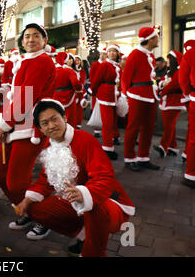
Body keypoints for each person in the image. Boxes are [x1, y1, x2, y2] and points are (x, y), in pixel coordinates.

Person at [13, 98, 134, 256]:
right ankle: (85, 236)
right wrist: (27, 199)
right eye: (45, 123)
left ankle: (93, 252)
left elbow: (104, 177)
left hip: (108, 201)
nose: (51, 126)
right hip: (73, 201)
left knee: (94, 207)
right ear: (41, 129)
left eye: (54, 119)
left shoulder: (85, 139)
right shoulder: (49, 145)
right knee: (35, 209)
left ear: (64, 118)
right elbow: (45, 179)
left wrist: (85, 193)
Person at [0, 23, 56, 238]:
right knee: (1, 175)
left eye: (36, 36)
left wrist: (4, 123)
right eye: (27, 36)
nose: (31, 39)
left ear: (44, 41)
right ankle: (26, 210)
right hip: (15, 125)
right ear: (21, 42)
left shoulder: (41, 61)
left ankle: (43, 217)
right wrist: (5, 119)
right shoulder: (26, 61)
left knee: (16, 181)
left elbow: (26, 98)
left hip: (28, 129)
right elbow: (16, 97)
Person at [121, 27, 160, 172]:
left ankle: (143, 157)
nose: (158, 40)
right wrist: (126, 96)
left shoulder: (150, 55)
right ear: (149, 39)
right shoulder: (135, 55)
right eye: (156, 37)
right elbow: (125, 78)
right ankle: (129, 158)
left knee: (149, 128)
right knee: (133, 127)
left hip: (151, 94)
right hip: (137, 95)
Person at [90, 44, 123, 160]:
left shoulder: (117, 66)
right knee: (107, 123)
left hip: (114, 96)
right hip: (105, 96)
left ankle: (110, 143)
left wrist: (121, 93)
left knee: (113, 121)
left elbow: (120, 82)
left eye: (114, 51)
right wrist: (94, 93)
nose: (112, 53)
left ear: (118, 54)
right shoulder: (104, 65)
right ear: (107, 53)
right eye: (110, 51)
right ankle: (108, 148)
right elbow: (97, 79)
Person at [154, 50, 186, 158]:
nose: (167, 61)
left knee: (168, 126)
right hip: (167, 101)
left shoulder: (179, 72)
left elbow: (172, 86)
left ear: (173, 60)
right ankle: (173, 147)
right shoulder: (169, 72)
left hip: (174, 102)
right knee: (170, 126)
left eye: (168, 59)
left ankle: (163, 146)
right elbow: (162, 83)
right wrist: (163, 85)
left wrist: (162, 90)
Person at [179, 39, 195, 188]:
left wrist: (188, 93)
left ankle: (191, 175)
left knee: (193, 138)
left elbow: (183, 79)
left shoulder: (190, 54)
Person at [88, 47, 107, 139]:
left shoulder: (108, 64)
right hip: (97, 89)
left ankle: (105, 129)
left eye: (105, 54)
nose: (103, 56)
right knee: (96, 109)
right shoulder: (95, 64)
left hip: (106, 90)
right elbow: (92, 77)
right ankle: (97, 130)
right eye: (102, 54)